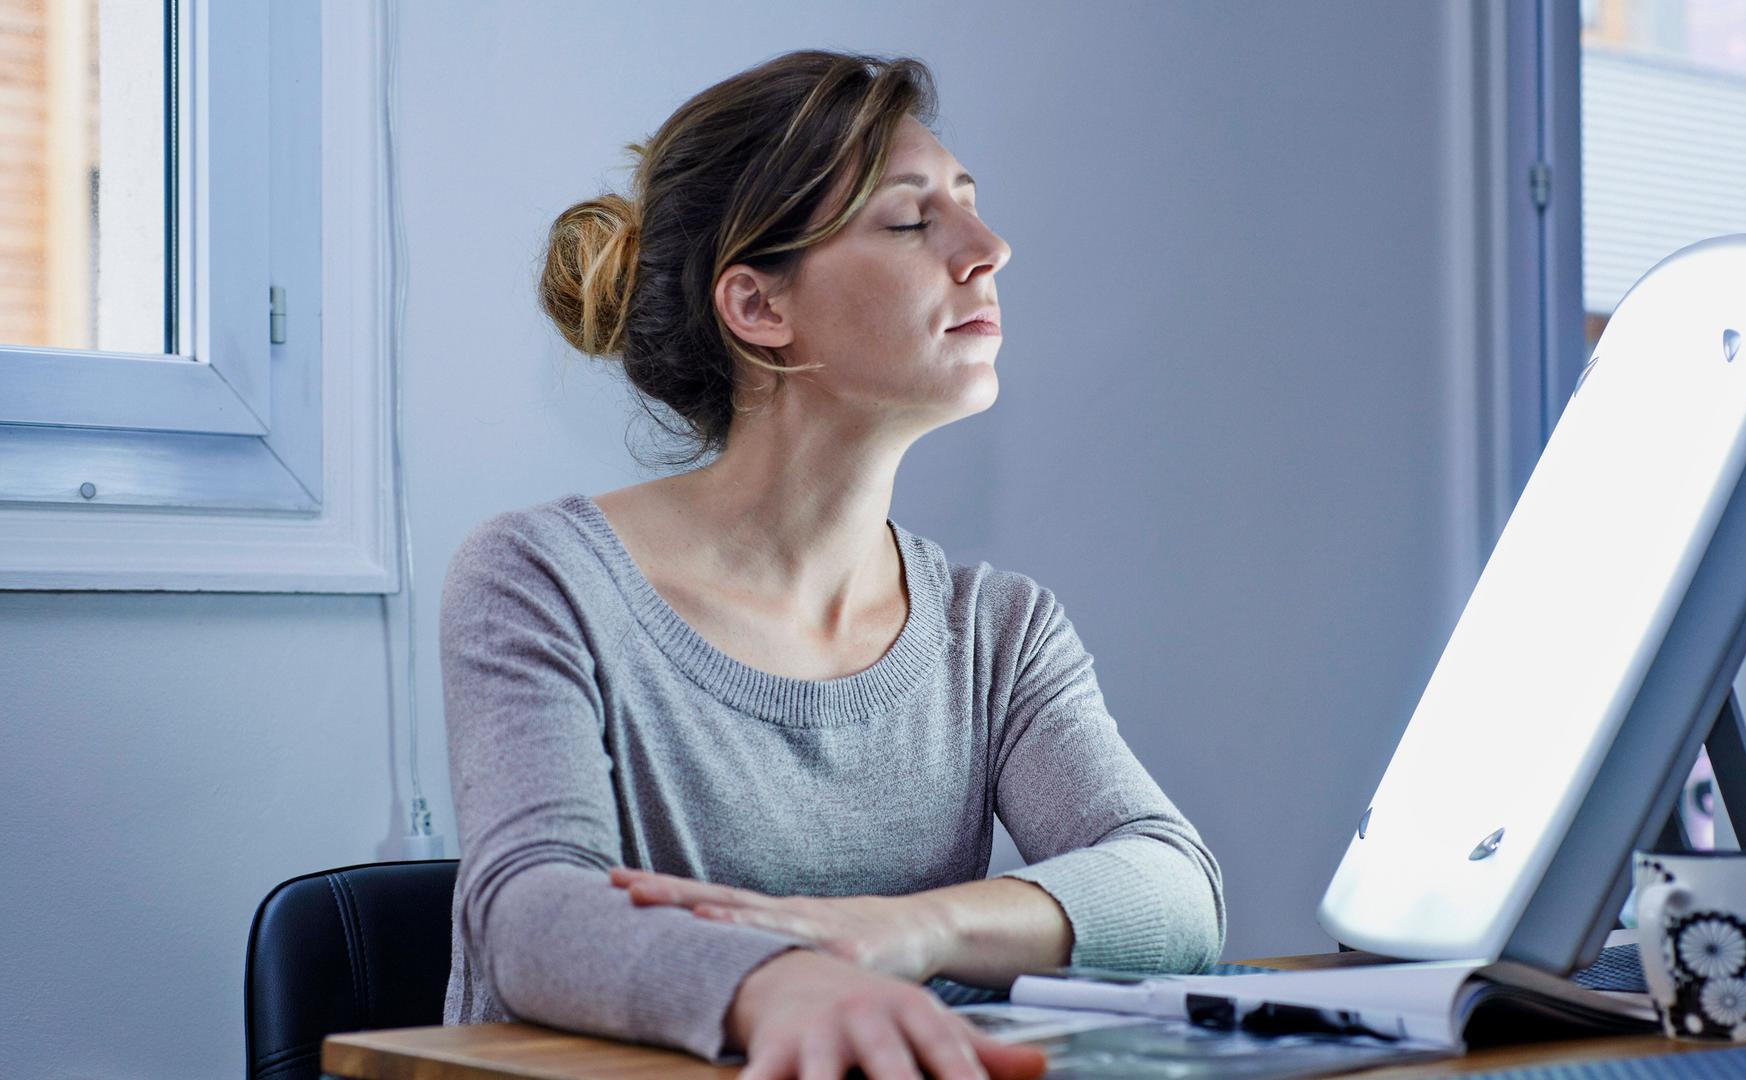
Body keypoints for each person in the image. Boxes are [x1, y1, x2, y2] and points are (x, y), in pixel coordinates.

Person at [439, 48, 1225, 1080]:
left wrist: (901, 934)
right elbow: (532, 914)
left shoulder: (998, 632)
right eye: (911, 221)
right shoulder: (539, 580)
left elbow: (1176, 886)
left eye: (970, 207)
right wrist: (781, 979)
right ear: (760, 309)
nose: (988, 248)